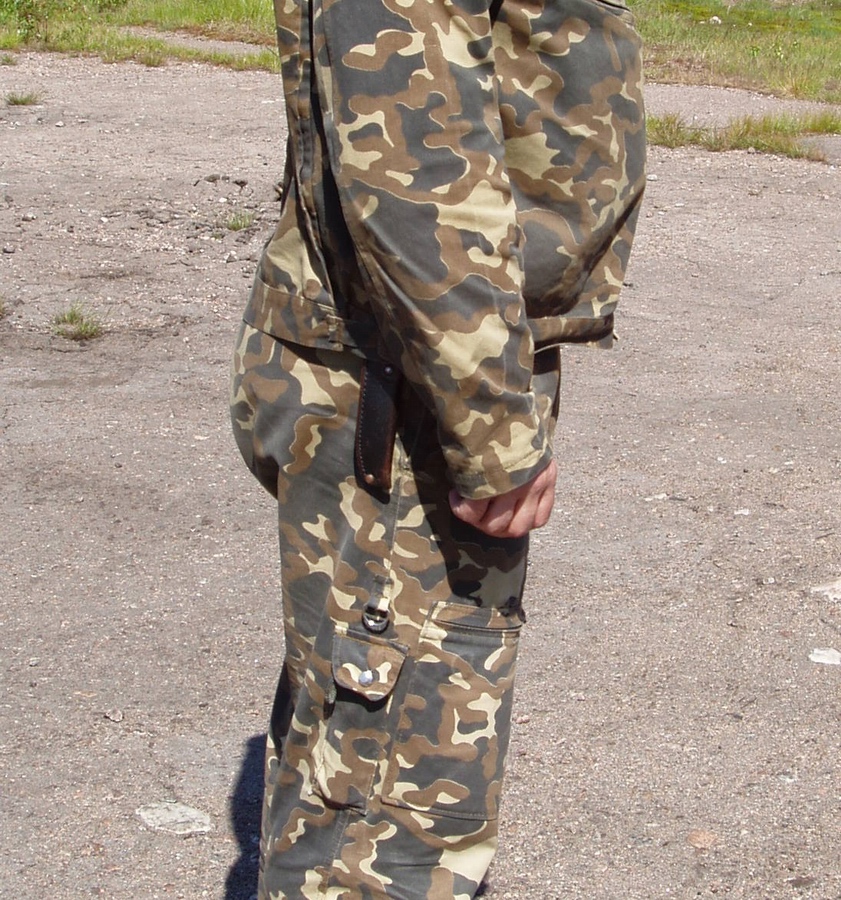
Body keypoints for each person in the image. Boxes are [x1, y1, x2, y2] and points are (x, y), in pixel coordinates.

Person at [230, 0, 646, 895]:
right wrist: (492, 432)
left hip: (424, 360)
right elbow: (413, 159)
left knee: (364, 733)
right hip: (412, 373)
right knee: (384, 819)